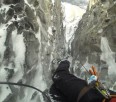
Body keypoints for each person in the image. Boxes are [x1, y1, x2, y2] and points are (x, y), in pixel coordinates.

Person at [49, 60, 116, 102]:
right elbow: (108, 94)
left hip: (85, 95)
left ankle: (64, 62)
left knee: (59, 76)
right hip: (97, 94)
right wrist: (97, 84)